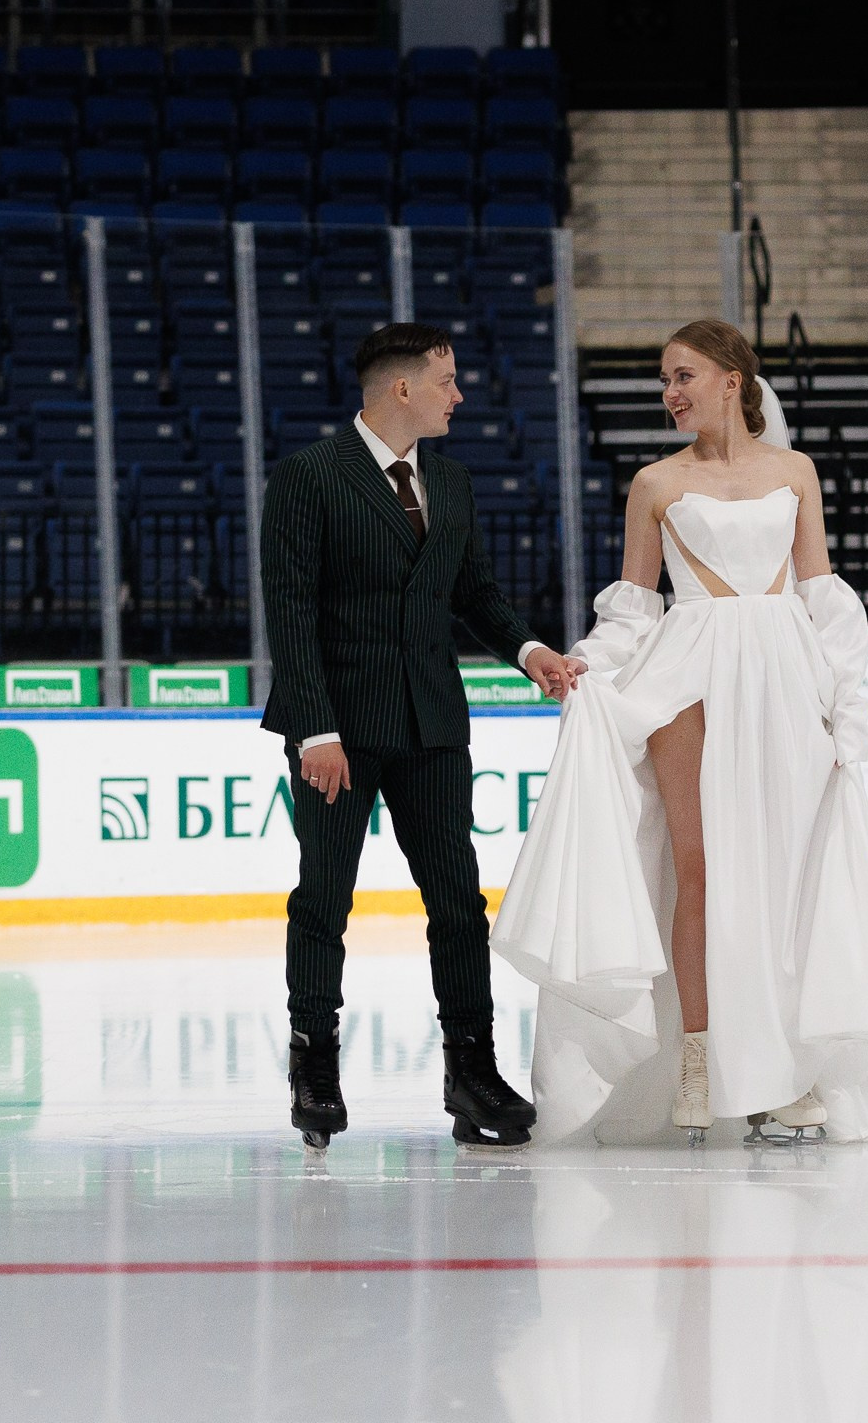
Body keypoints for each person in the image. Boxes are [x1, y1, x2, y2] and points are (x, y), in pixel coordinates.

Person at [492, 319, 868, 1145]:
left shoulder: (795, 472)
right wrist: (586, 665)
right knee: (699, 871)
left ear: (732, 379)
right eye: (664, 380)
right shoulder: (655, 482)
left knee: (783, 875)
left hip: (786, 677)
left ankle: (781, 1070)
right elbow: (634, 605)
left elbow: (820, 589)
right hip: (686, 671)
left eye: (683, 375)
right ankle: (699, 1062)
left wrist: (845, 705)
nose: (670, 393)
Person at [260, 321, 584, 1150]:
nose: (458, 394)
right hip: (339, 730)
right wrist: (313, 729)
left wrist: (529, 649)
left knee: (458, 905)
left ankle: (472, 1069)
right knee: (325, 898)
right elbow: (290, 613)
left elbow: (470, 590)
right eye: (446, 380)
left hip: (433, 722)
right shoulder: (309, 477)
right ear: (402, 388)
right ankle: (314, 1064)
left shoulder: (452, 481)